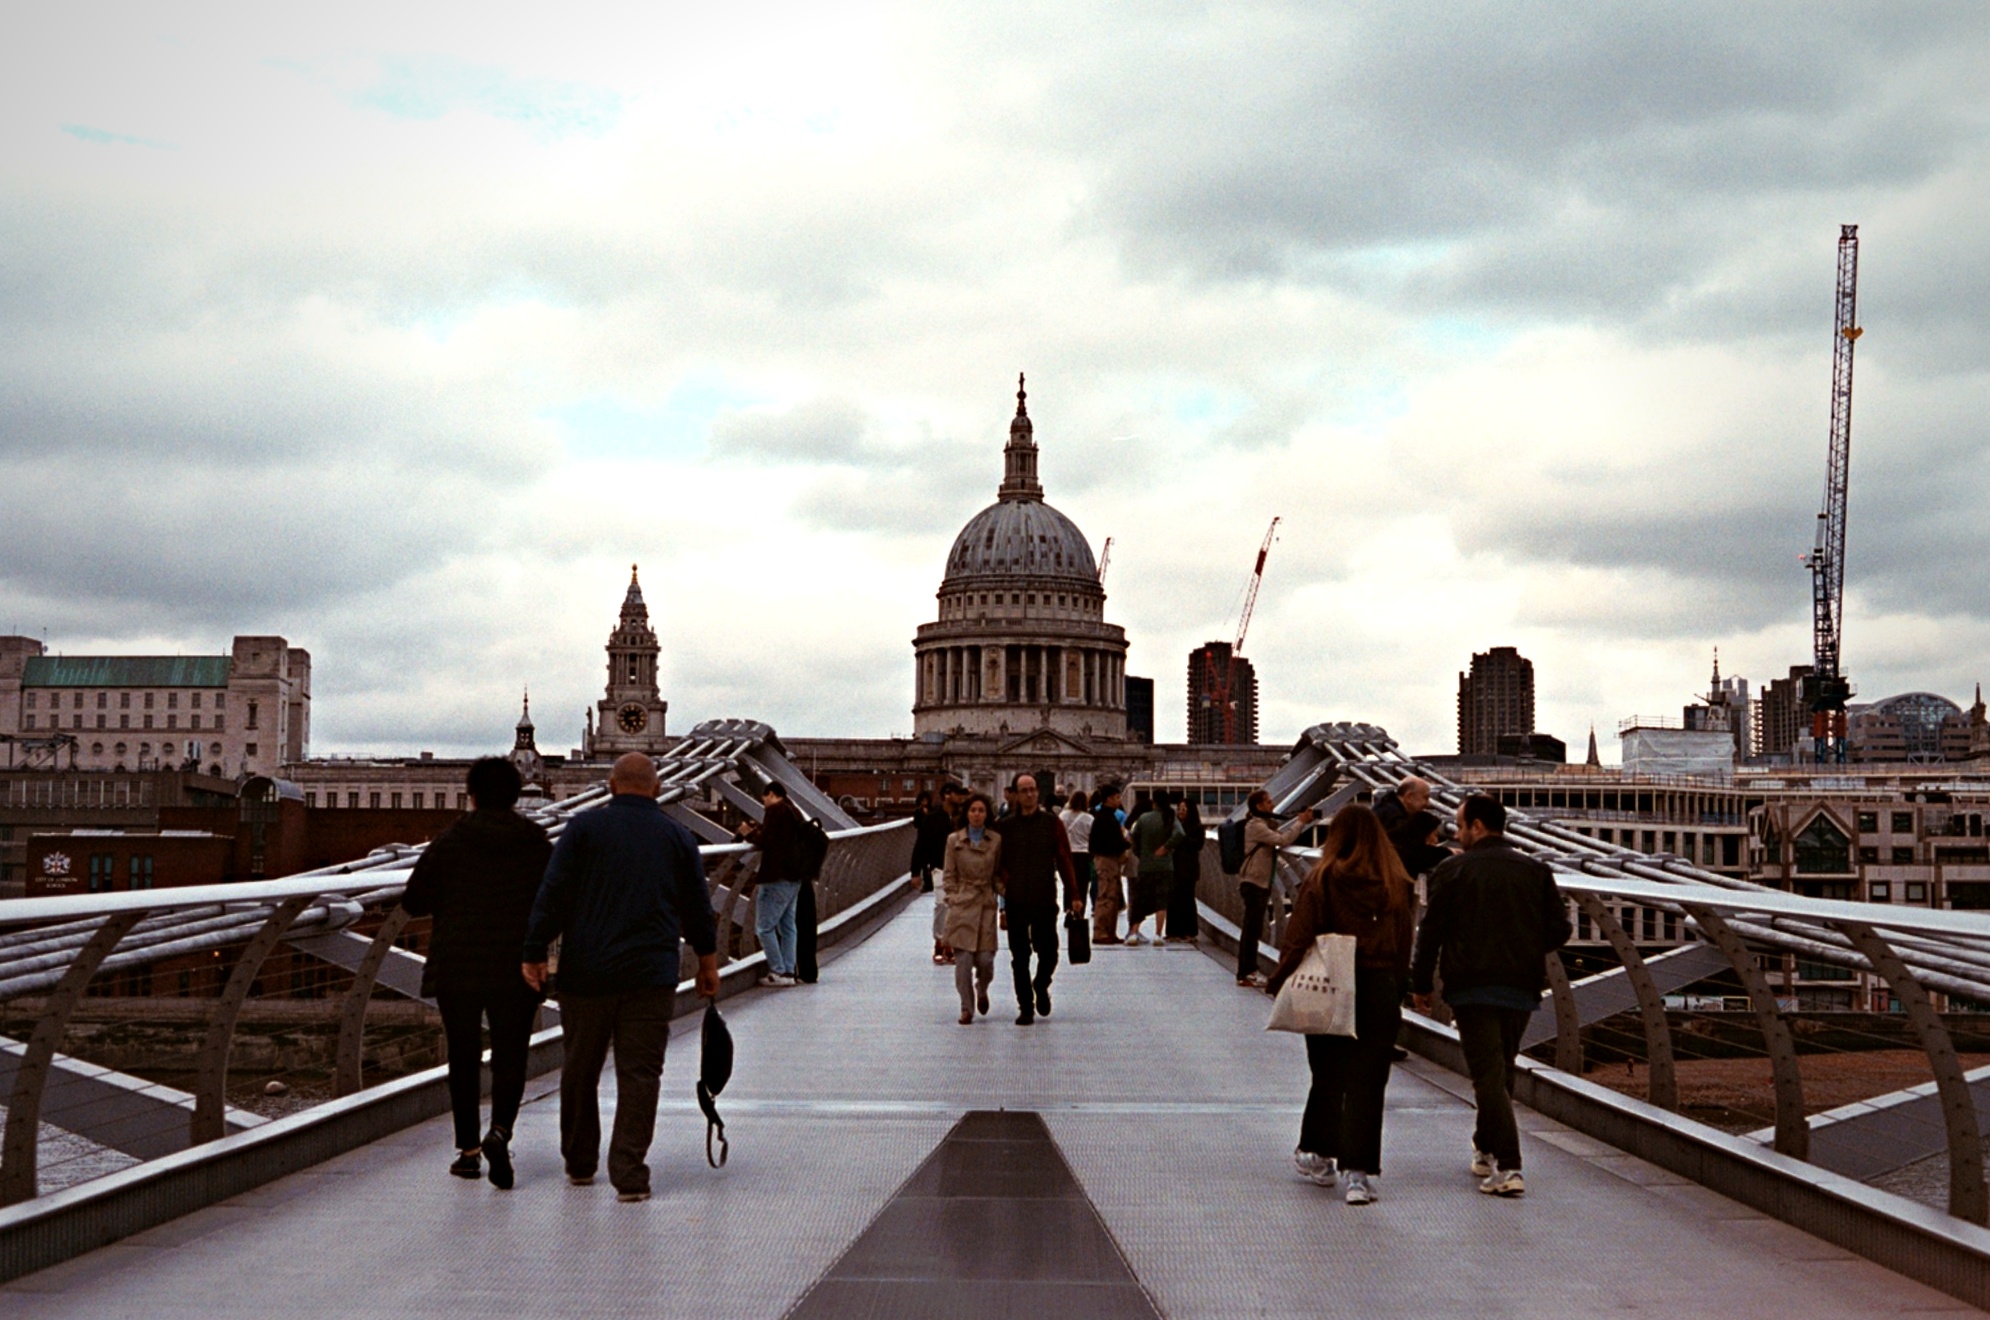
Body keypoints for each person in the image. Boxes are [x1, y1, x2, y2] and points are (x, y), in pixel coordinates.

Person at [521, 753, 720, 1203]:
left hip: (586, 972)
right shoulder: (678, 836)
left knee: (580, 1067)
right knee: (640, 1073)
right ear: (656, 788)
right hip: (650, 975)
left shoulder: (582, 829)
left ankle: (579, 1162)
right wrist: (707, 964)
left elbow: (552, 894)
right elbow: (697, 908)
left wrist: (534, 951)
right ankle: (629, 1174)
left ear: (610, 786)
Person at [400, 756, 553, 1189]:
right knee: (511, 1054)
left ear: (471, 796)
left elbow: (413, 901)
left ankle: (468, 1152)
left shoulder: (450, 841)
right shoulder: (536, 842)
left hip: (458, 962)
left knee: (462, 1055)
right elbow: (557, 899)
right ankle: (500, 1132)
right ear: (517, 795)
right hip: (516, 963)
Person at [1411, 794, 1571, 1199]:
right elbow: (1560, 931)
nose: (1457, 832)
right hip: (1521, 983)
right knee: (1500, 1068)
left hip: (1471, 985)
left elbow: (1432, 931)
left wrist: (1420, 983)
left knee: (1487, 1074)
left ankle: (1510, 1166)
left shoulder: (1452, 869)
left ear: (1478, 827)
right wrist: (1525, 945)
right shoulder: (1535, 869)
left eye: (1461, 825)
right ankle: (1484, 1147)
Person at [1267, 805, 1415, 1207]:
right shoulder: (1398, 882)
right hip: (1380, 984)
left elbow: (1299, 937)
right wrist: (1399, 987)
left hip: (1332, 983)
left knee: (1328, 1072)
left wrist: (1278, 979)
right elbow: (1404, 945)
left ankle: (1318, 1153)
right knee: (1369, 1081)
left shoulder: (1323, 879)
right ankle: (1359, 1175)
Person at [992, 773, 1084, 1025]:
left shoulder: (1052, 823)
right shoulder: (1006, 826)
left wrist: (1074, 894)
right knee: (1019, 956)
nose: (1029, 794)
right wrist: (1004, 889)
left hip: (1044, 897)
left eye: (1033, 789)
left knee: (1050, 953)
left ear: (1038, 792)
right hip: (1016, 899)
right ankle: (1026, 1007)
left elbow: (1065, 859)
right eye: (1024, 790)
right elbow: (997, 864)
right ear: (1015, 794)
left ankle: (1041, 984)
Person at [1235, 790, 1315, 988]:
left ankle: (1247, 971)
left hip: (1256, 881)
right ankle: (1246, 972)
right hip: (1254, 881)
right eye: (1268, 802)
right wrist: (1300, 822)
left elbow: (1277, 832)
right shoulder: (1255, 825)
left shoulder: (1260, 823)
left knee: (1252, 927)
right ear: (1259, 806)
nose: (1272, 804)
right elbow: (1282, 840)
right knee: (1252, 929)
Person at [739, 781, 807, 987]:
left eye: (765, 797)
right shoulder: (794, 812)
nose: (764, 802)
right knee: (788, 927)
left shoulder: (775, 810)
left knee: (764, 927)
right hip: (794, 876)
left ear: (772, 795)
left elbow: (766, 841)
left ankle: (777, 970)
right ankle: (788, 971)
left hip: (775, 877)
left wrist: (748, 833)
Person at [942, 792, 1002, 1025]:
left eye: (981, 810)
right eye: (973, 810)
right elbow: (949, 875)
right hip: (962, 905)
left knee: (986, 960)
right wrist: (953, 896)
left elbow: (997, 874)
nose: (976, 814)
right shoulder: (953, 841)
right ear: (966, 814)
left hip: (985, 902)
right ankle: (966, 1008)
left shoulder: (996, 841)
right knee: (963, 962)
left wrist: (1007, 895)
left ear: (987, 815)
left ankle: (982, 987)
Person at [1124, 789, 1183, 946]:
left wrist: (1139, 853)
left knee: (1139, 899)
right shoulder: (1170, 817)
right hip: (1165, 865)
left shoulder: (1144, 818)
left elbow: (1132, 837)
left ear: (1154, 801)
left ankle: (1134, 933)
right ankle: (1158, 934)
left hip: (1145, 865)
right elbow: (1180, 834)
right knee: (1161, 900)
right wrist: (1166, 847)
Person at [911, 790, 957, 965]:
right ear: (947, 795)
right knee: (941, 904)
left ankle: (950, 944)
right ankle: (940, 941)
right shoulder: (932, 818)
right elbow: (921, 845)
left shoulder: (964, 816)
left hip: (961, 870)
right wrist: (916, 873)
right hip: (939, 867)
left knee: (955, 908)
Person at [1088, 784, 1130, 944]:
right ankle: (1101, 932)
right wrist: (1125, 844)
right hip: (1106, 859)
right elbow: (1107, 842)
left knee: (1112, 896)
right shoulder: (1105, 818)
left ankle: (1109, 931)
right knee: (1106, 895)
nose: (1119, 800)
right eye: (1117, 797)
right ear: (1109, 799)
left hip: (1109, 859)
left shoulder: (1107, 816)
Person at [1166, 797, 1206, 943]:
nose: (1181, 812)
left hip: (1188, 868)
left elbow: (1197, 845)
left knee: (1187, 899)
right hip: (1173, 867)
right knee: (1172, 900)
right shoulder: (1173, 826)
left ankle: (1188, 931)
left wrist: (1182, 837)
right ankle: (1173, 931)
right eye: (1179, 809)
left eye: (1184, 809)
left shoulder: (1197, 827)